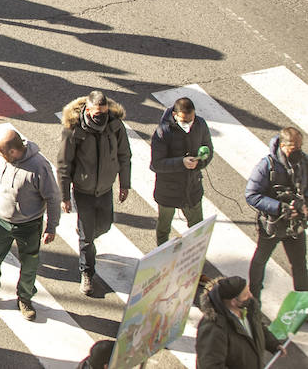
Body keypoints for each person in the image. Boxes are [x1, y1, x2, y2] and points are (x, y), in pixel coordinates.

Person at [0, 129, 60, 321]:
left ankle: (25, 298)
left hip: (28, 225)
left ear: (13, 152)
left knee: (29, 263)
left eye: (2, 153)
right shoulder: (2, 159)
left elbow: (52, 198)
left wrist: (51, 227)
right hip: (0, 220)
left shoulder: (39, 167)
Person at [57, 90, 132, 297]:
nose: (101, 117)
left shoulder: (115, 126)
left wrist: (124, 184)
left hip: (105, 189)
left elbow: (124, 155)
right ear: (88, 110)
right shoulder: (73, 130)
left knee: (105, 225)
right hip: (83, 191)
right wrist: (64, 196)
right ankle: (87, 272)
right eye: (97, 113)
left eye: (104, 112)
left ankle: (85, 235)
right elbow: (64, 164)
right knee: (88, 238)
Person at [245, 126, 307, 301]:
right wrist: (279, 208)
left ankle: (302, 305)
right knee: (260, 262)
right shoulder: (266, 166)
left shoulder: (303, 162)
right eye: (294, 148)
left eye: (300, 147)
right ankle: (254, 299)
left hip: (295, 225)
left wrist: (304, 206)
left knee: (300, 265)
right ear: (283, 146)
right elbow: (252, 195)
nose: (298, 152)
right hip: (272, 225)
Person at [148, 97, 214, 248]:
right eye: (184, 121)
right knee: (164, 228)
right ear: (175, 115)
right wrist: (181, 162)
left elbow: (208, 150)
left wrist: (200, 162)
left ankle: (195, 257)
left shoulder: (200, 124)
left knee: (197, 228)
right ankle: (162, 255)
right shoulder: (163, 132)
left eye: (191, 119)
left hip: (192, 188)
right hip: (168, 190)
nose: (189, 124)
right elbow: (156, 164)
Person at [195, 277, 281, 368]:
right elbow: (210, 365)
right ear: (234, 302)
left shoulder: (249, 309)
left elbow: (258, 327)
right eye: (246, 294)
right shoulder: (213, 329)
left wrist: (274, 344)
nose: (251, 295)